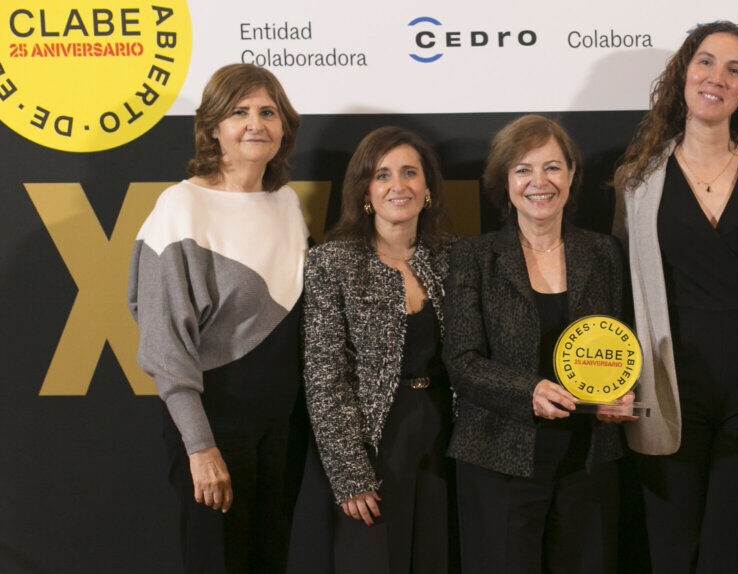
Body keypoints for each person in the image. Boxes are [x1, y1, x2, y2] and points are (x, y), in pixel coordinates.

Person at [612, 21, 738, 573]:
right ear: (683, 75)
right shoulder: (635, 181)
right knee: (672, 549)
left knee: (734, 552)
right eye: (705, 62)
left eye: (733, 69)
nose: (716, 77)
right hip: (669, 390)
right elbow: (622, 289)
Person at [128, 63, 308, 573]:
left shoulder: (287, 202)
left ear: (284, 126)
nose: (256, 123)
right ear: (213, 128)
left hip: (284, 424)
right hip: (215, 422)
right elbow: (164, 345)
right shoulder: (180, 207)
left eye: (268, 112)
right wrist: (201, 446)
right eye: (239, 112)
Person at [444, 114, 633, 574]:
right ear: (505, 181)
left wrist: (622, 390)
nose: (539, 182)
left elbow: (621, 342)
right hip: (498, 460)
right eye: (523, 169)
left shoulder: (604, 252)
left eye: (552, 167)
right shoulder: (474, 256)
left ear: (571, 174)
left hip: (588, 459)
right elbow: (462, 361)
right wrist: (528, 391)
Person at [303, 126, 456, 573]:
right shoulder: (332, 262)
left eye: (410, 172)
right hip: (374, 439)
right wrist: (350, 473)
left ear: (427, 187)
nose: (398, 185)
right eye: (382, 175)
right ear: (365, 190)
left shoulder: (451, 256)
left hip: (445, 435)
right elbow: (324, 375)